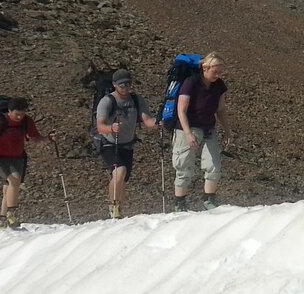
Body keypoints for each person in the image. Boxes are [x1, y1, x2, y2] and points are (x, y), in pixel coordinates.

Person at [0, 97, 56, 229]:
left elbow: (35, 138)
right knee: (14, 179)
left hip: (18, 158)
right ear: (9, 111)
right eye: (17, 114)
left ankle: (2, 220)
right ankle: (12, 214)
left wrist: (48, 139)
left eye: (22, 114)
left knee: (9, 187)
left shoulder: (26, 121)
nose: (19, 117)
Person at [172, 53, 232, 212]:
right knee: (184, 166)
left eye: (220, 72)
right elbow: (181, 110)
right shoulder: (191, 82)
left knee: (213, 164)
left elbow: (221, 109)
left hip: (208, 128)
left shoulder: (219, 85)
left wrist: (227, 130)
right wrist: (187, 133)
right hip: (188, 128)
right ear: (205, 68)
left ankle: (209, 200)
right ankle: (179, 203)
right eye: (215, 71)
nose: (217, 75)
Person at [95, 69, 157, 218]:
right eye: (122, 85)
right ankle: (113, 207)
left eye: (128, 84)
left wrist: (159, 122)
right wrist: (111, 128)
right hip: (109, 143)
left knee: (123, 178)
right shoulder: (107, 101)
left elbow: (147, 120)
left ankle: (118, 208)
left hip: (127, 144)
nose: (125, 87)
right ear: (114, 84)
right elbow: (100, 126)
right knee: (119, 171)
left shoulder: (136, 100)